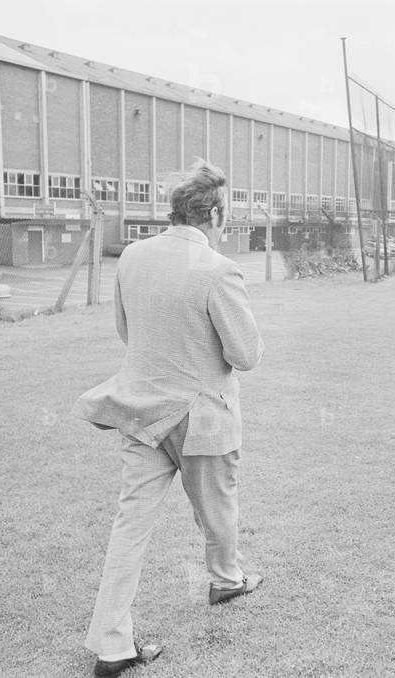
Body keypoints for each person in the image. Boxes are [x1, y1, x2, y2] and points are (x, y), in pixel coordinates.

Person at [71, 159, 265, 678]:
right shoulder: (217, 269)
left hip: (140, 413)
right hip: (202, 418)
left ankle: (112, 645)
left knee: (129, 526)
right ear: (216, 213)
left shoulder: (132, 255)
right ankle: (226, 579)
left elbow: (124, 329)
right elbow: (245, 355)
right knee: (219, 507)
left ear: (176, 210)